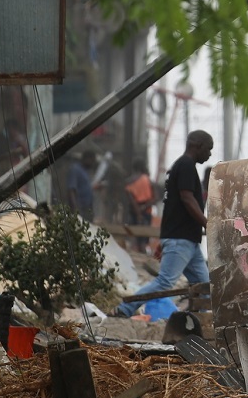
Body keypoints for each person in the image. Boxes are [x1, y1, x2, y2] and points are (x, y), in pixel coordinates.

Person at [116, 130, 214, 318]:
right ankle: (125, 308)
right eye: (208, 149)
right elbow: (186, 199)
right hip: (181, 240)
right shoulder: (186, 165)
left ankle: (202, 322)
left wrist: (164, 238)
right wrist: (206, 223)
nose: (209, 154)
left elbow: (170, 207)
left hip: (187, 242)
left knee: (205, 285)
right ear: (198, 146)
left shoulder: (179, 166)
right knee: (165, 282)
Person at [125, 159, 156, 252]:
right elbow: (155, 198)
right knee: (143, 241)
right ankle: (143, 257)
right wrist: (144, 207)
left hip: (134, 212)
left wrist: (138, 212)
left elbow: (131, 199)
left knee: (133, 239)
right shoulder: (148, 180)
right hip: (146, 213)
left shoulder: (129, 181)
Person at [67, 151, 97, 221]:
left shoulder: (85, 171)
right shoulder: (75, 169)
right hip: (80, 207)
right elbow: (71, 190)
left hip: (87, 207)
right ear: (87, 159)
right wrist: (75, 209)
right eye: (92, 161)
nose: (92, 164)